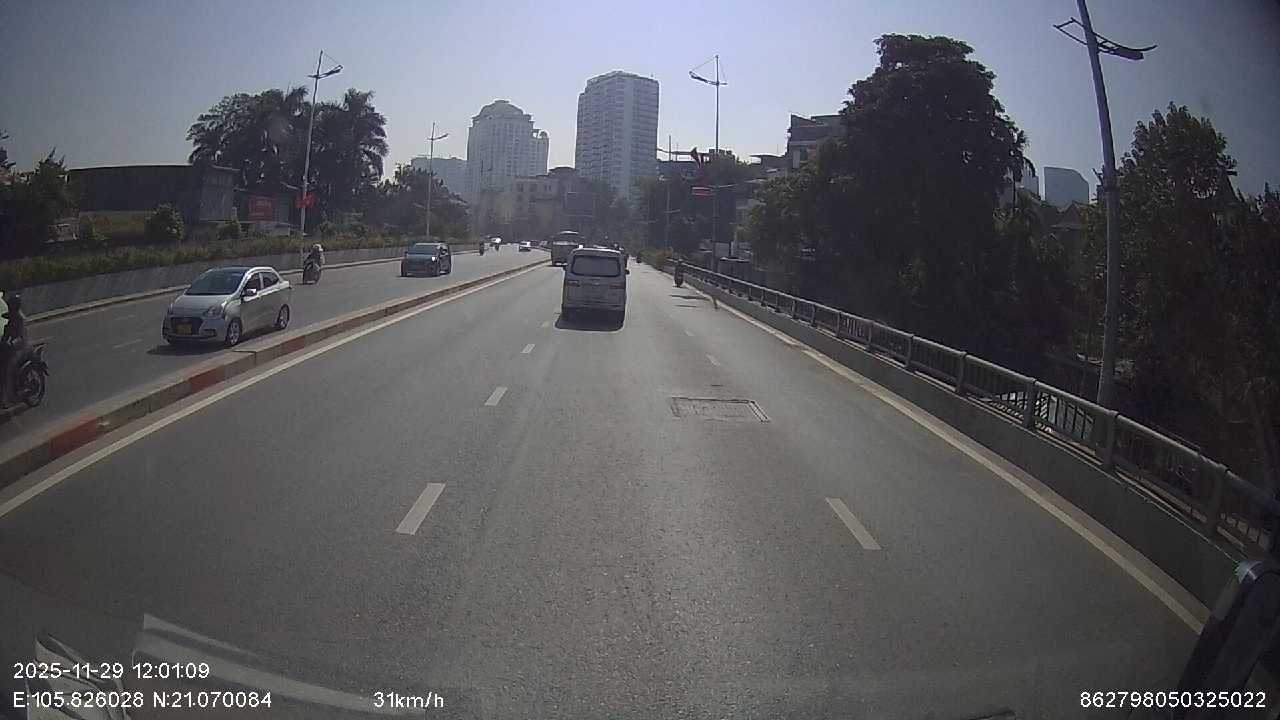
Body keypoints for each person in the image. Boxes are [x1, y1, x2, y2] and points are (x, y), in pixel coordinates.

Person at [1, 293, 28, 407]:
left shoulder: (20, 320)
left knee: (7, 370)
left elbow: (21, 338)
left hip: (19, 349)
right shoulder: (10, 318)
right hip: (8, 349)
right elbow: (5, 333)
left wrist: (11, 344)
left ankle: (6, 400)